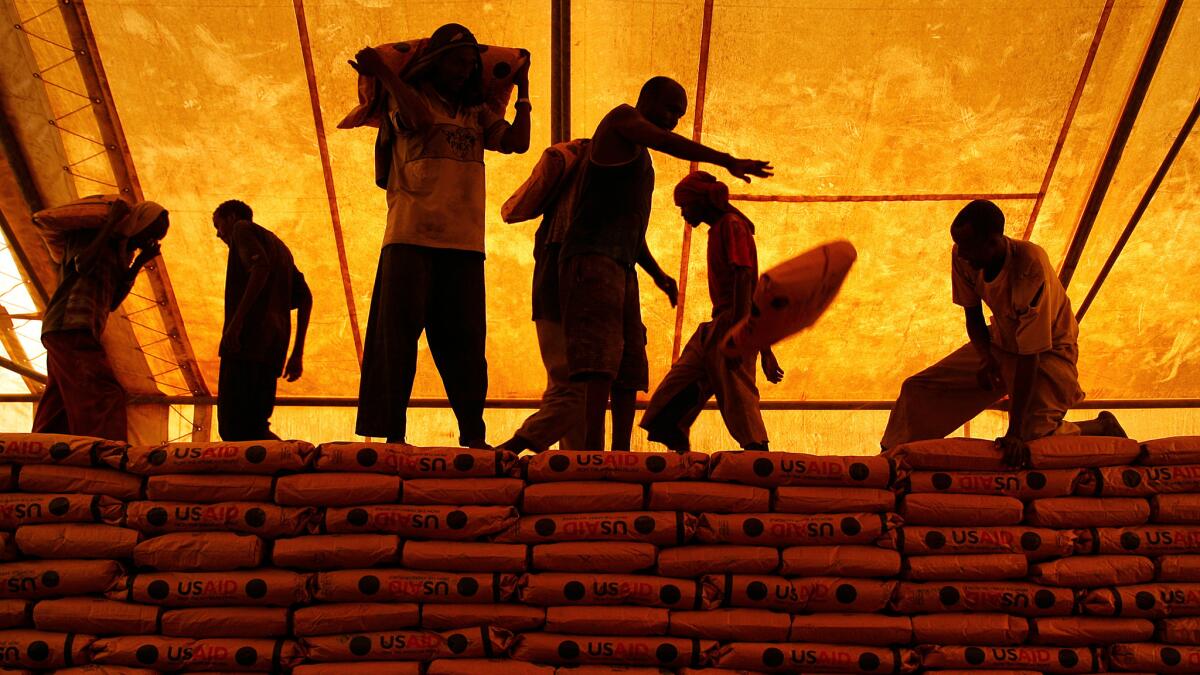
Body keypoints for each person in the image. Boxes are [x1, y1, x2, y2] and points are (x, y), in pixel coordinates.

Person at [559, 76, 772, 451]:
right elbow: (664, 141)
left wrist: (658, 275)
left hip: (623, 267)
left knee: (628, 364)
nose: (673, 120)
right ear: (647, 98)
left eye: (680, 114)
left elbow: (632, 232)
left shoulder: (725, 224)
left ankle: (621, 451)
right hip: (592, 261)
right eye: (670, 109)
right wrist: (725, 159)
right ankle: (595, 450)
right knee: (600, 359)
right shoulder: (620, 120)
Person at [351, 23, 532, 446]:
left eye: (471, 63)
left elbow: (517, 144)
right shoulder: (406, 100)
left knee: (467, 345)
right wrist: (385, 74)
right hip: (410, 238)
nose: (464, 70)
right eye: (455, 60)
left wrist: (522, 93)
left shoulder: (476, 113)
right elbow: (415, 118)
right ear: (434, 62)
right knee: (396, 340)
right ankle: (391, 435)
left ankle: (473, 433)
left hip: (464, 244)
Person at [881, 199, 1126, 466]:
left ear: (994, 241)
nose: (961, 253)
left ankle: (1099, 428)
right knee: (918, 390)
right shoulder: (964, 257)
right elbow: (972, 315)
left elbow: (1030, 355)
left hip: (1048, 354)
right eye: (959, 244)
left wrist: (1015, 432)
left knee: (1033, 440)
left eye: (969, 246)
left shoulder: (1030, 267)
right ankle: (889, 458)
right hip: (999, 342)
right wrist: (987, 360)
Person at [641, 171, 783, 453]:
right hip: (720, 321)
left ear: (702, 202)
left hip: (733, 319)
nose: (683, 214)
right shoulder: (719, 228)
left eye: (685, 206)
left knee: (736, 388)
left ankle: (757, 451)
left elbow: (744, 277)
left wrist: (741, 331)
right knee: (686, 373)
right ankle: (670, 426)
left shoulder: (732, 225)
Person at [32, 199, 169, 441]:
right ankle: (104, 451)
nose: (149, 241)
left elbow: (113, 302)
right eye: (150, 234)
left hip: (79, 328)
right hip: (69, 322)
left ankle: (40, 448)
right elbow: (82, 264)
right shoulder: (92, 234)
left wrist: (138, 262)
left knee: (59, 400)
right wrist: (110, 225)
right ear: (139, 223)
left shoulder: (122, 252)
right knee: (105, 393)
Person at [498, 140, 590, 454]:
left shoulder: (571, 162)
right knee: (575, 386)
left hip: (555, 283)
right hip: (570, 281)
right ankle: (515, 446)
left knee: (567, 384)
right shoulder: (582, 162)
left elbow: (516, 208)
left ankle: (574, 462)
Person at [213, 200, 311, 441]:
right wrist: (297, 352)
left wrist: (236, 324)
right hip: (272, 350)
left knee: (233, 428)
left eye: (218, 225)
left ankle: (289, 462)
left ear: (232, 216)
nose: (219, 234)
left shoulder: (241, 229)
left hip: (245, 345)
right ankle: (286, 463)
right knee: (255, 426)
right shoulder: (280, 247)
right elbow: (306, 297)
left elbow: (260, 268)